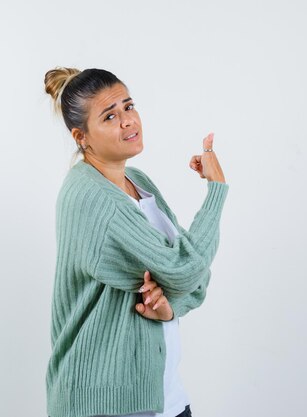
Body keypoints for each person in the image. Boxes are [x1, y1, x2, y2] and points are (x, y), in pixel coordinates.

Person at [43, 67, 229, 417]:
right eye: (110, 116)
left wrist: (170, 306)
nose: (128, 121)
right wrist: (216, 190)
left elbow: (194, 276)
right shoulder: (91, 198)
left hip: (161, 395)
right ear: (81, 136)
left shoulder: (137, 181)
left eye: (129, 107)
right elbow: (185, 268)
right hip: (106, 403)